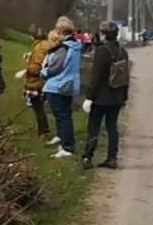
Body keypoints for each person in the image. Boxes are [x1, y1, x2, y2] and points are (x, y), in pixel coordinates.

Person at [81, 22, 129, 170]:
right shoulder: (123, 51)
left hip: (101, 97)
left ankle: (88, 157)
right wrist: (124, 96)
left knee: (94, 127)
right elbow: (125, 76)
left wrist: (89, 97)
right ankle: (112, 157)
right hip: (116, 96)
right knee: (112, 128)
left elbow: (96, 77)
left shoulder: (102, 51)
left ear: (103, 34)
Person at [42, 18, 84, 158]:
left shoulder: (63, 48)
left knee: (62, 116)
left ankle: (67, 146)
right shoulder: (75, 46)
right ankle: (62, 138)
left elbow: (55, 67)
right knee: (64, 114)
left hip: (57, 85)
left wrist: (43, 73)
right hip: (69, 84)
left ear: (60, 31)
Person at [18, 25, 54, 138]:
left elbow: (37, 65)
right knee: (38, 107)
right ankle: (43, 130)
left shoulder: (40, 47)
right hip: (40, 80)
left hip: (36, 81)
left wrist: (25, 70)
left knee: (38, 107)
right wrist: (30, 56)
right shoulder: (43, 45)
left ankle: (43, 131)